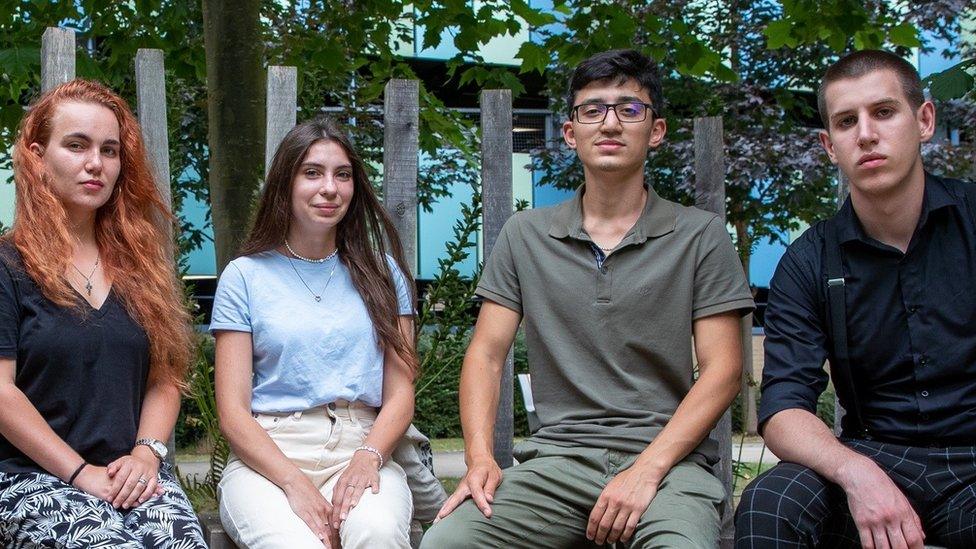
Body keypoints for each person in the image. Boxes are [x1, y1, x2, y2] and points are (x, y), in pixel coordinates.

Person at [422, 49, 754, 548]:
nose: (611, 123)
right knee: (449, 543)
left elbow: (724, 369)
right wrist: (480, 459)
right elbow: (486, 355)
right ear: (570, 133)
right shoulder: (525, 235)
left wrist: (646, 471)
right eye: (593, 109)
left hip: (668, 466)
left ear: (656, 131)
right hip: (556, 465)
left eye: (630, 108)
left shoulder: (700, 235)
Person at [735, 50, 976, 549]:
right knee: (769, 503)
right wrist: (855, 472)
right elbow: (783, 407)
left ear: (924, 120)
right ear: (829, 145)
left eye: (883, 112)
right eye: (847, 121)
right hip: (871, 456)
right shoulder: (808, 261)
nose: (866, 134)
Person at [0, 79, 206, 547]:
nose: (96, 163)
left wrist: (147, 454)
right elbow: (0, 393)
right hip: (28, 479)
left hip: (131, 476)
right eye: (76, 145)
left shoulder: (141, 269)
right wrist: (80, 473)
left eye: (109, 150)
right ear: (36, 156)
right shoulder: (7, 267)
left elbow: (165, 378)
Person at [212, 116, 417, 549]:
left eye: (342, 175)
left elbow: (400, 393)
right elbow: (232, 412)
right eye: (312, 173)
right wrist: (293, 482)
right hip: (269, 454)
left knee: (377, 534)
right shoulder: (244, 276)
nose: (330, 188)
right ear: (285, 183)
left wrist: (368, 458)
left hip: (363, 446)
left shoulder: (384, 272)